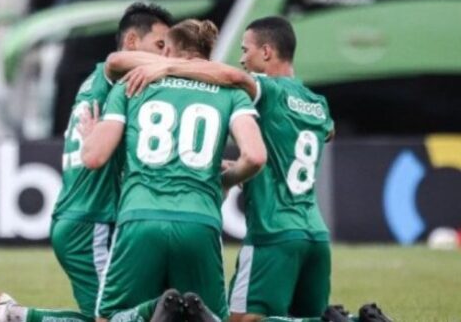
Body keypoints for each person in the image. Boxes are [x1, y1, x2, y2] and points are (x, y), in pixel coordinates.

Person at [115, 16, 337, 321]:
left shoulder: (266, 89)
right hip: (315, 233)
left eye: (246, 50)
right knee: (312, 315)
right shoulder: (318, 104)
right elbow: (321, 137)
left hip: (273, 231)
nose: (242, 58)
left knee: (239, 319)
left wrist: (167, 67)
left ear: (267, 52)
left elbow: (229, 76)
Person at [0, 2, 174, 322]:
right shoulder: (114, 74)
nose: (166, 56)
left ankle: (14, 316)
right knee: (114, 319)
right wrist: (177, 67)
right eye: (159, 46)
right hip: (90, 221)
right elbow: (116, 61)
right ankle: (11, 317)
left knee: (129, 313)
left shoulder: (101, 85)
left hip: (88, 217)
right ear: (131, 43)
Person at [80, 19, 267, 322]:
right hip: (200, 221)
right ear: (208, 53)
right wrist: (223, 181)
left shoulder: (134, 83)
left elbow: (94, 158)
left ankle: (151, 312)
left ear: (166, 49)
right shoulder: (231, 93)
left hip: (140, 217)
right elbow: (256, 157)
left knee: (110, 317)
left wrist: (90, 138)